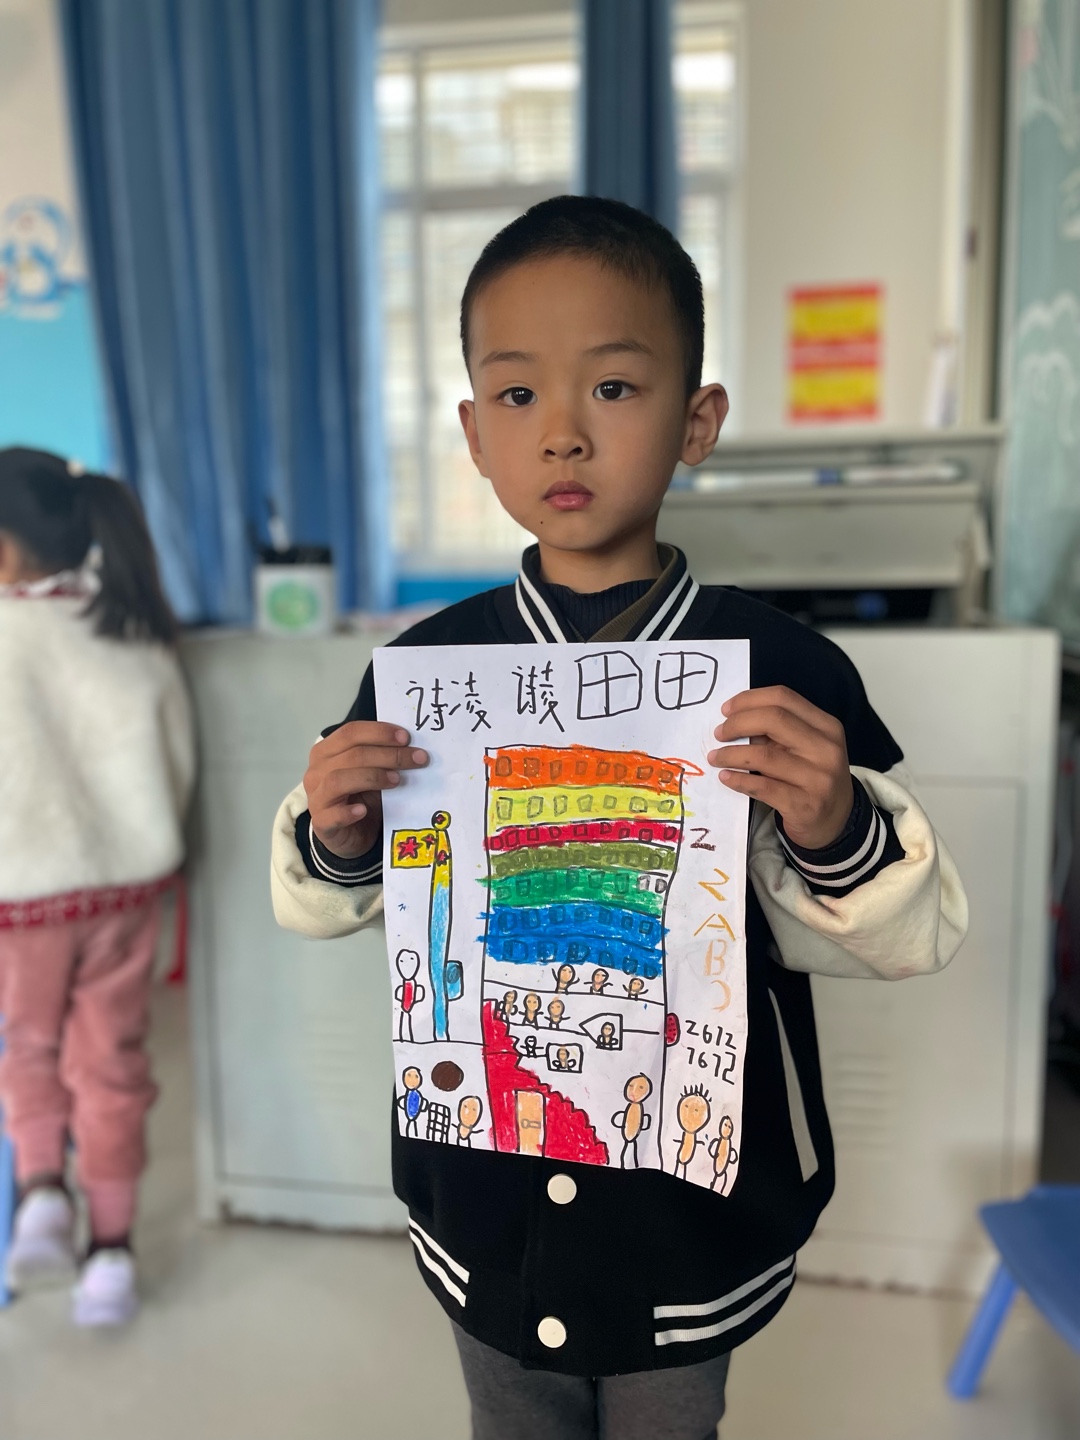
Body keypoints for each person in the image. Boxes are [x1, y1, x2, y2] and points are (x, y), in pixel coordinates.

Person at [272, 197, 967, 1439]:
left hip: (685, 1207)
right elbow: (334, 902)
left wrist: (832, 823)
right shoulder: (422, 673)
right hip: (483, 1181)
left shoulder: (781, 669)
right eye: (519, 394)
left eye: (613, 387)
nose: (564, 432)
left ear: (697, 421)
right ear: (474, 434)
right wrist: (339, 835)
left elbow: (908, 932)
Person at [0, 448, 194, 1328]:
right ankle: (110, 1256)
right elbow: (177, 767)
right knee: (112, 1065)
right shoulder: (130, 626)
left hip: (21, 900)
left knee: (28, 1049)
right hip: (125, 893)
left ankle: (43, 1190)